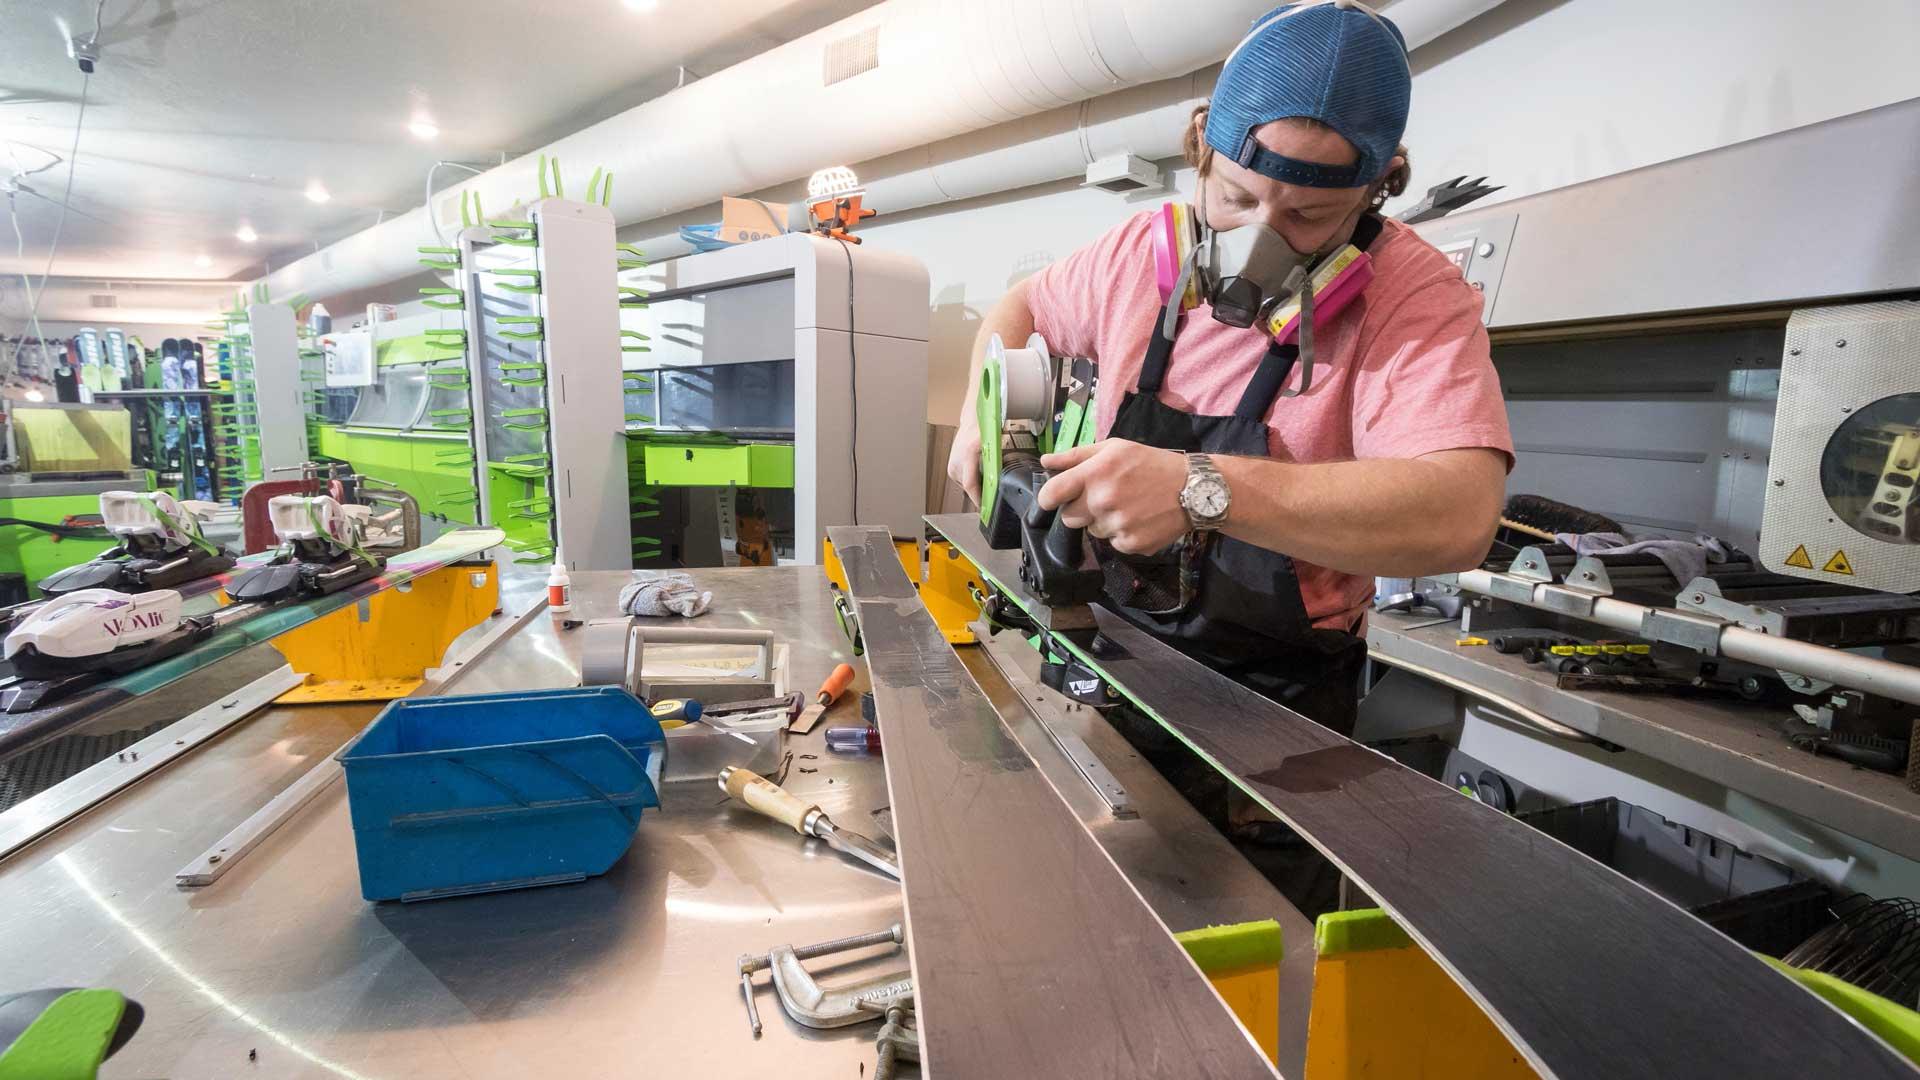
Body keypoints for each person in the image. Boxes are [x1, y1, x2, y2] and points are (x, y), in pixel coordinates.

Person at [948, 0, 1511, 740]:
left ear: (1377, 188)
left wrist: (1200, 488)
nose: (1259, 240)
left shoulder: (1413, 297)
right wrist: (977, 415)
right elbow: (1018, 307)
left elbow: (1462, 514)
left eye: (1309, 217)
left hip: (1275, 714)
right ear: (1200, 150)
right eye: (1237, 199)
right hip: (1110, 655)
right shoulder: (1135, 257)